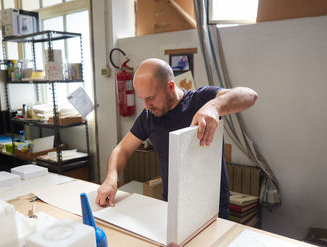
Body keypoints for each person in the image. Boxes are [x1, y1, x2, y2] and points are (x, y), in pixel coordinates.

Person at [95, 58, 258, 219]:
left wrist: (214, 107)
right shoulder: (148, 116)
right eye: (142, 99)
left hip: (212, 206)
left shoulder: (201, 99)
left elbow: (250, 95)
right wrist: (111, 178)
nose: (146, 106)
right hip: (172, 204)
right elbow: (122, 149)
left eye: (150, 98)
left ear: (170, 86)